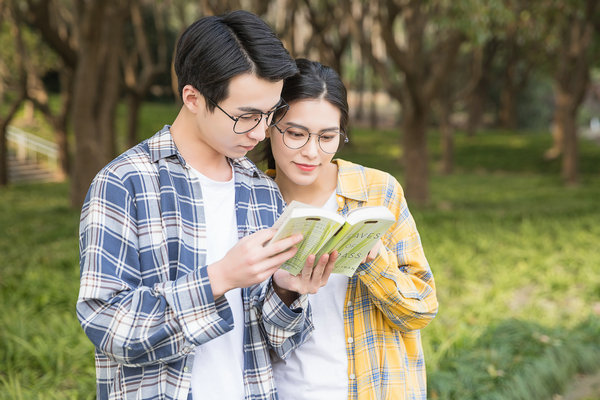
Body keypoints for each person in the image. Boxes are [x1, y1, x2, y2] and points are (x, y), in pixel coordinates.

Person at [77, 12, 337, 400]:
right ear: (193, 97)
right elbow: (108, 327)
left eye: (270, 114)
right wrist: (220, 278)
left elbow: (278, 345)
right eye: (246, 116)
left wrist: (286, 292)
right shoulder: (125, 182)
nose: (261, 131)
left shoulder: (260, 190)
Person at [260, 59, 439, 399]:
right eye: (296, 134)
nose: (311, 152)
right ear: (270, 125)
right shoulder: (249, 200)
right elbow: (247, 335)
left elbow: (421, 310)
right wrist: (286, 293)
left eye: (328, 137)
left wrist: (373, 260)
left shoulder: (378, 192)